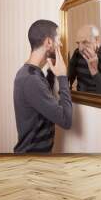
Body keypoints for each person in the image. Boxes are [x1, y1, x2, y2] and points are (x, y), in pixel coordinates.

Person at [13, 19, 72, 153]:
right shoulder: (31, 80)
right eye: (59, 39)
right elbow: (66, 120)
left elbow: (43, 98)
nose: (61, 44)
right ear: (49, 42)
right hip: (31, 162)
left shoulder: (29, 73)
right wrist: (62, 77)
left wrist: (52, 71)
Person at [68, 25, 101, 95]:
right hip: (80, 103)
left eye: (85, 42)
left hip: (98, 104)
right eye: (78, 43)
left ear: (97, 40)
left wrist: (95, 72)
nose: (80, 48)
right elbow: (67, 81)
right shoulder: (77, 53)